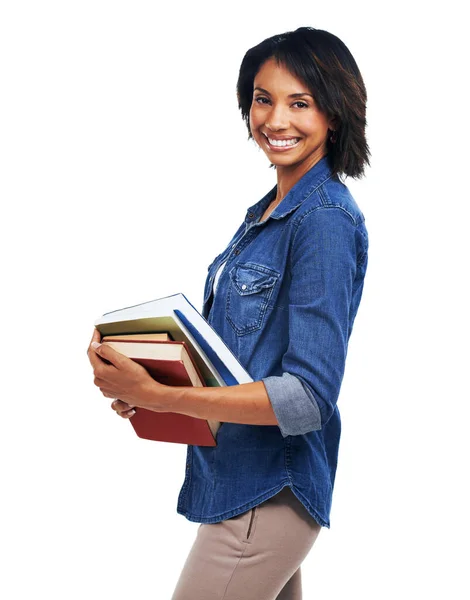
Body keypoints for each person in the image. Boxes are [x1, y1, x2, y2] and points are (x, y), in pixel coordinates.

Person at [88, 26, 370, 600]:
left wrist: (164, 396)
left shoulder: (323, 221)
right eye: (263, 99)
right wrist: (149, 385)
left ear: (334, 116)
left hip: (267, 491)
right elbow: (235, 363)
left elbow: (308, 397)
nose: (276, 120)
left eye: (301, 103)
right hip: (240, 480)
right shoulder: (269, 213)